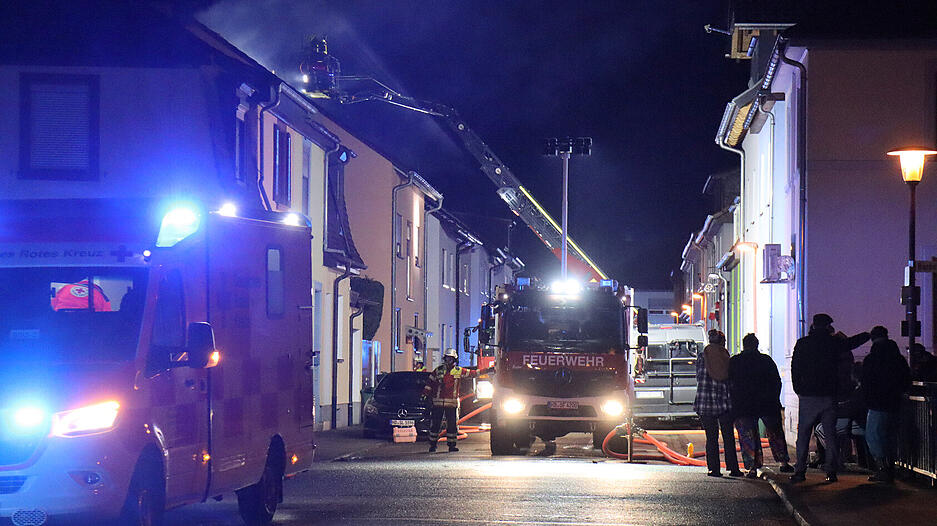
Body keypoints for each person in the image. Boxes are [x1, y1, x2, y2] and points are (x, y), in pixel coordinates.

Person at [790, 313, 870, 483]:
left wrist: (798, 388)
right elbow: (850, 343)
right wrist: (868, 335)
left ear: (813, 325)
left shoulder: (803, 344)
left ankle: (800, 471)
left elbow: (795, 368)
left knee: (803, 434)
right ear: (827, 326)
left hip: (808, 395)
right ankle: (831, 470)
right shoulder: (833, 343)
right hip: (828, 395)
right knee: (830, 433)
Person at [729, 333, 794, 477]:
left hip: (743, 405)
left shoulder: (735, 361)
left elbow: (730, 383)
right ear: (757, 345)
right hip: (767, 403)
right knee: (775, 432)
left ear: (744, 345)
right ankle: (783, 462)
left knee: (747, 436)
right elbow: (776, 382)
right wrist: (774, 399)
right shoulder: (766, 361)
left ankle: (752, 467)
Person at [862, 326, 911, 482]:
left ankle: (883, 469)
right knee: (890, 437)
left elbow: (866, 382)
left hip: (877, 404)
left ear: (873, 338)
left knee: (874, 437)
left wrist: (867, 399)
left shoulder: (872, 358)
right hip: (895, 402)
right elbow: (905, 379)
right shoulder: (898, 358)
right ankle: (890, 468)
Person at [694, 329, 742, 477]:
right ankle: (733, 468)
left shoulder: (702, 356)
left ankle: (713, 469)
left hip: (705, 402)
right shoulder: (725, 357)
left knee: (711, 437)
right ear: (722, 342)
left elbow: (698, 377)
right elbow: (731, 379)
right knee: (728, 436)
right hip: (723, 402)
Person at [422, 348, 491, 452]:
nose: (448, 361)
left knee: (452, 425)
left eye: (450, 359)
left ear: (454, 360)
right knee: (435, 424)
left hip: (452, 403)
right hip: (438, 403)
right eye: (447, 359)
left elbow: (473, 373)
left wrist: (487, 370)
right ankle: (432, 445)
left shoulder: (459, 371)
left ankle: (452, 445)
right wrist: (425, 394)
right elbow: (430, 383)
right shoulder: (438, 370)